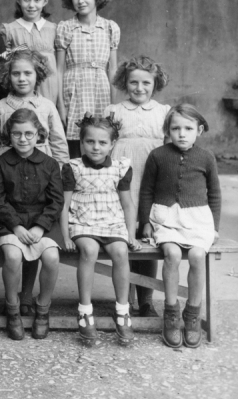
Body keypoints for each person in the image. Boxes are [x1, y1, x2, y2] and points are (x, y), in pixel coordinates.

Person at [140, 104, 220, 349]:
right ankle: (171, 312)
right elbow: (147, 190)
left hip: (197, 219)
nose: (182, 134)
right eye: (175, 128)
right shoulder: (158, 155)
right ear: (168, 130)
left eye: (188, 128)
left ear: (200, 130)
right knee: (172, 254)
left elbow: (215, 194)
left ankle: (193, 313)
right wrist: (145, 222)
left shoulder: (206, 157)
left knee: (197, 255)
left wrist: (214, 227)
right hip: (166, 218)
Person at [60, 114, 141, 345]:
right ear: (81, 142)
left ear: (112, 144)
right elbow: (64, 205)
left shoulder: (120, 167)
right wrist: (66, 235)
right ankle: (85, 310)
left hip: (112, 221)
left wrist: (130, 235)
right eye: (90, 142)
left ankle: (122, 310)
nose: (96, 147)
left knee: (120, 252)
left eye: (102, 142)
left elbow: (127, 204)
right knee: (89, 251)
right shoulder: (72, 167)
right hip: (83, 221)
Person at [105, 55, 170, 317]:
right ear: (124, 82)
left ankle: (146, 299)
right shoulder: (114, 111)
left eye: (146, 82)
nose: (139, 88)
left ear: (156, 84)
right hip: (123, 178)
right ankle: (125, 298)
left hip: (152, 176)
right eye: (133, 82)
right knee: (126, 235)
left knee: (148, 236)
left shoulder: (163, 111)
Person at [0, 108, 63, 341]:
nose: (23, 139)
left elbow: (56, 200)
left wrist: (40, 226)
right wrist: (17, 227)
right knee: (12, 256)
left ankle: (42, 309)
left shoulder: (50, 164)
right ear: (8, 135)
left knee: (51, 257)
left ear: (38, 134)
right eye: (17, 134)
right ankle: (13, 308)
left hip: (42, 223)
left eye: (29, 134)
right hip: (9, 223)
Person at [55, 0, 119, 158]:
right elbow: (59, 70)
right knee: (75, 143)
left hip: (100, 89)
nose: (80, 0)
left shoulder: (109, 27)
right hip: (74, 91)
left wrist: (113, 106)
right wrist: (61, 104)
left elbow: (113, 69)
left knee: (99, 139)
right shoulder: (65, 27)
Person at [0, 49, 68, 162]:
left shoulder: (48, 106)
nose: (22, 79)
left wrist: (60, 172)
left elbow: (59, 144)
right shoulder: (0, 108)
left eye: (28, 73)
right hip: (8, 173)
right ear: (8, 75)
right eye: (16, 73)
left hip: (42, 172)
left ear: (37, 74)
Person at [0, 0, 60, 107]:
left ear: (45, 1)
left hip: (49, 92)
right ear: (18, 0)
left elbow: (60, 69)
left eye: (37, 0)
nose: (31, 5)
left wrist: (60, 106)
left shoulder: (54, 29)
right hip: (20, 92)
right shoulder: (10, 30)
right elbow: (4, 69)